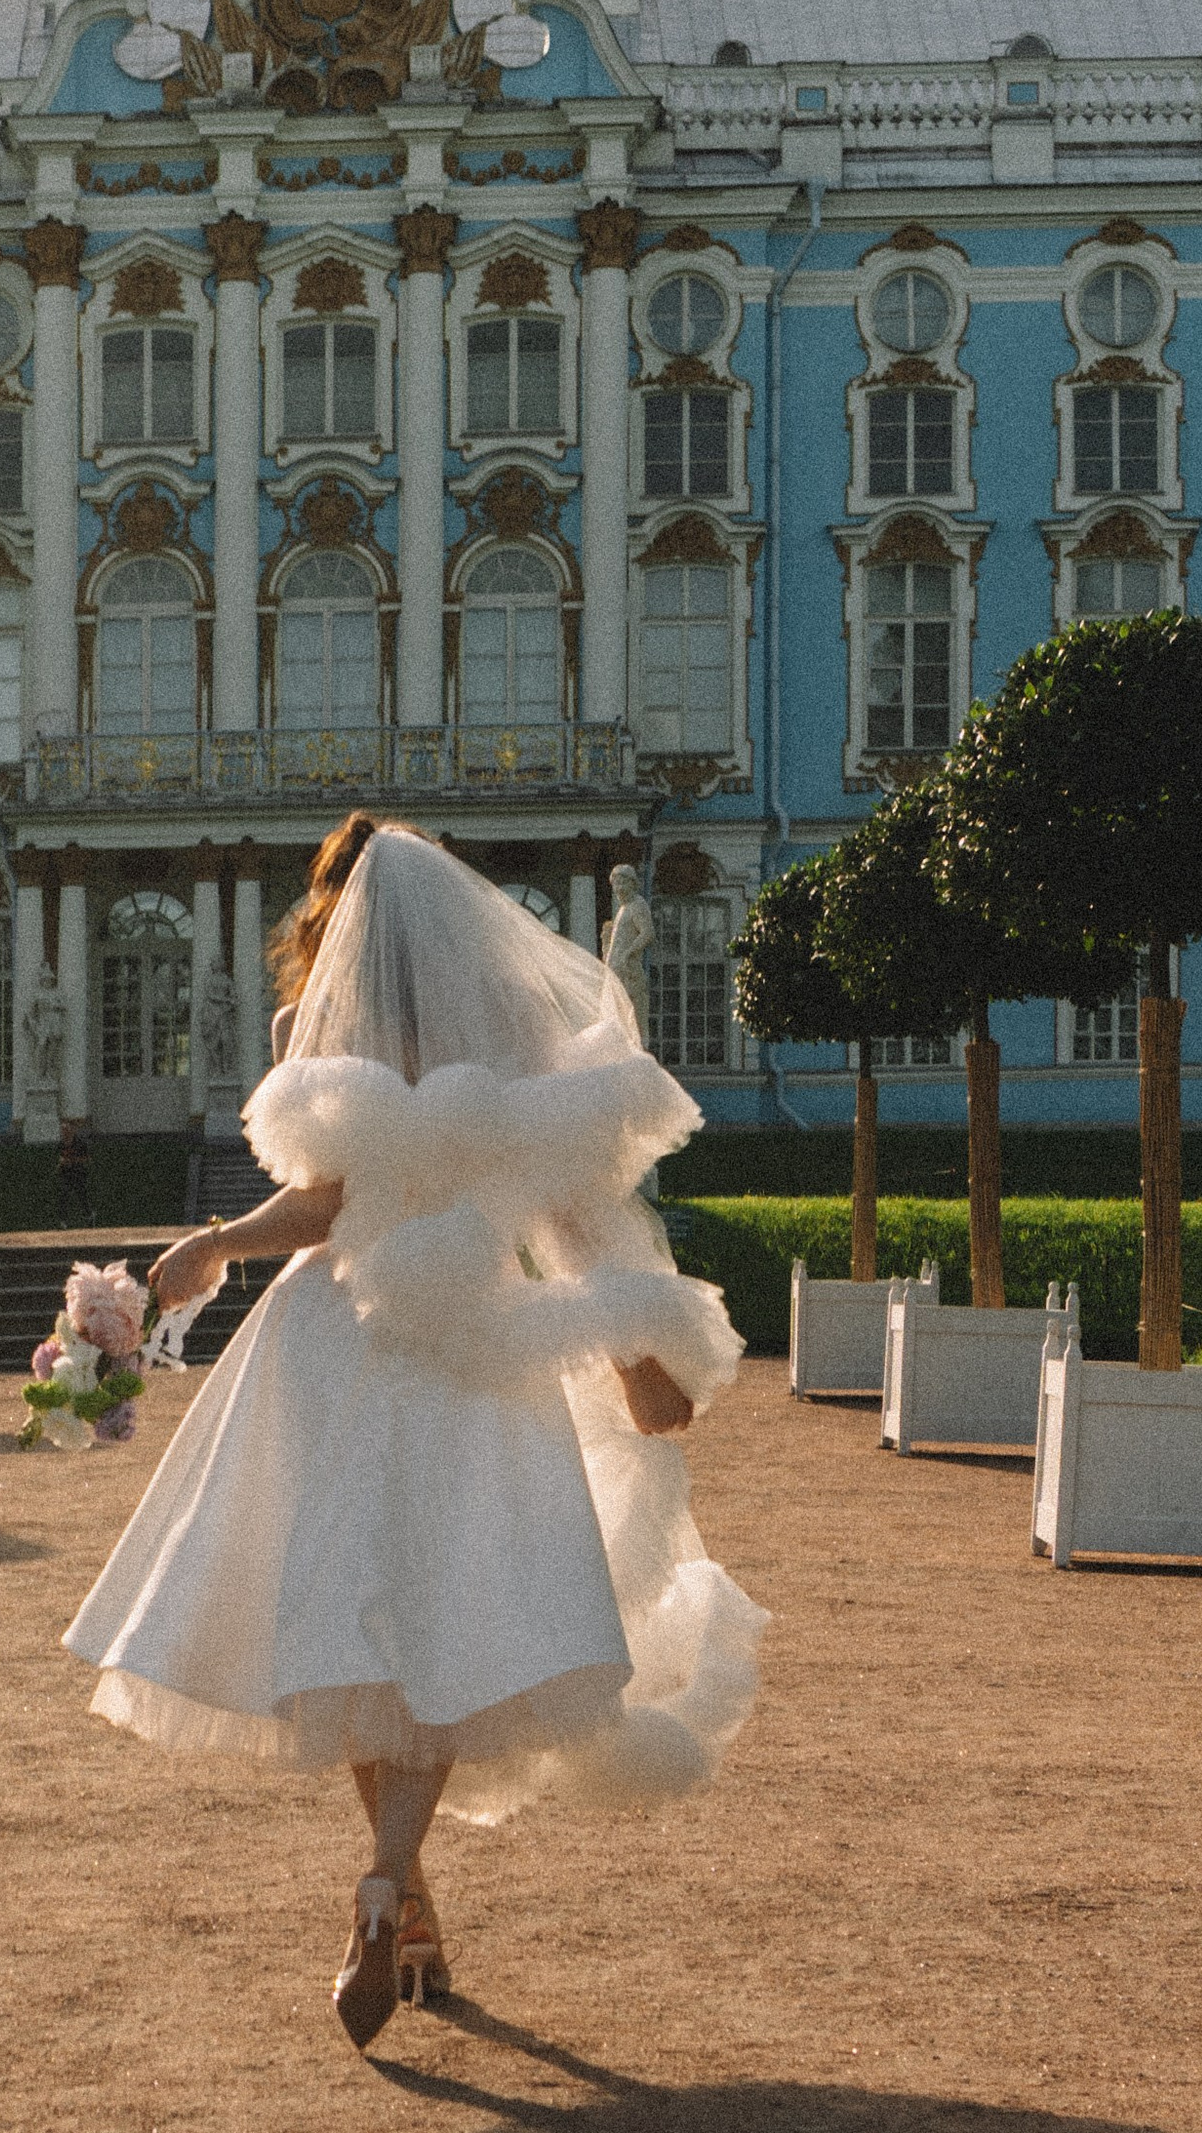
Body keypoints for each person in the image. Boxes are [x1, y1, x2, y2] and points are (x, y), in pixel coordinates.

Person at [65, 816, 766, 2053]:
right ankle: (396, 1889)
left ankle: (408, 1896)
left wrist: (212, 1245)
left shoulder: (315, 1038)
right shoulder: (508, 1041)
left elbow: (324, 1202)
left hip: (327, 1341)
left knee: (340, 1619)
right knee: (447, 1618)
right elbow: (563, 1210)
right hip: (464, 1347)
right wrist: (629, 1346)